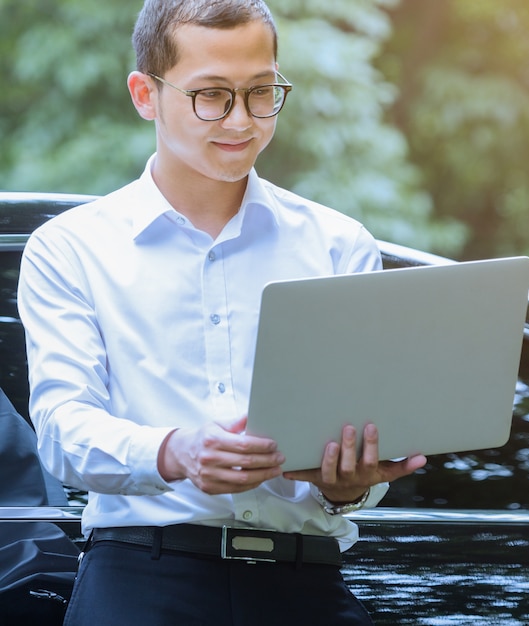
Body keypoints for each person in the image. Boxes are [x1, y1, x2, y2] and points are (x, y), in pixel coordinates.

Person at [17, 1, 427, 624]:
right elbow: (62, 430)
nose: (241, 119)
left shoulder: (338, 244)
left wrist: (350, 486)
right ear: (144, 94)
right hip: (139, 580)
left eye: (261, 91)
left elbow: (355, 448)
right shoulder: (71, 248)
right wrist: (174, 451)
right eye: (211, 95)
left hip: (305, 582)